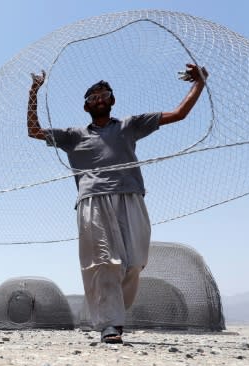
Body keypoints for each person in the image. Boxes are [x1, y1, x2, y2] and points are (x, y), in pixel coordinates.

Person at [27, 63, 208, 344]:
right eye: (92, 97)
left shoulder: (129, 125)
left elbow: (179, 114)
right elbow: (34, 130)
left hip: (130, 196)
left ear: (112, 100)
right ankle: (110, 324)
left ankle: (115, 315)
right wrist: (34, 91)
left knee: (134, 263)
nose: (98, 99)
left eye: (104, 94)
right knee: (104, 262)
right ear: (86, 107)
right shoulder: (73, 136)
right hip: (92, 200)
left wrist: (199, 83)